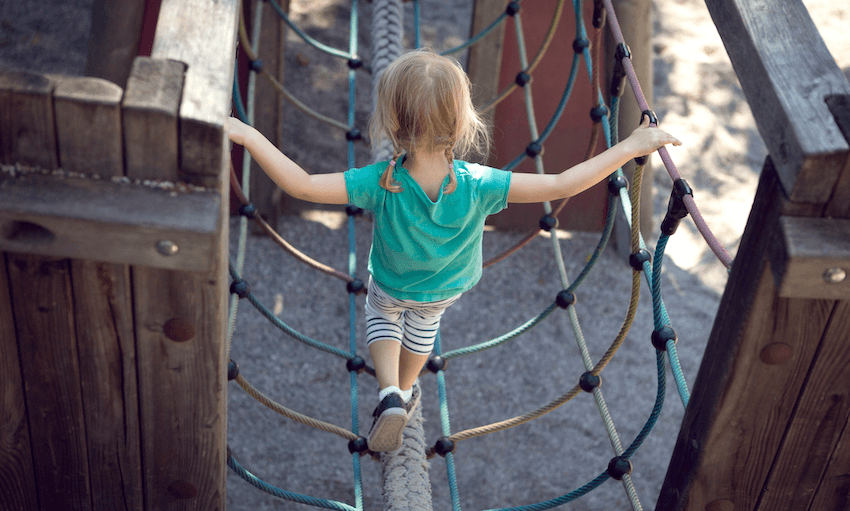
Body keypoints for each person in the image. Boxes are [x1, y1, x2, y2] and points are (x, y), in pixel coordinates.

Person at [226, 48, 681, 453]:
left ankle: (388, 392)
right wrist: (629, 147)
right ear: (462, 123)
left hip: (391, 283)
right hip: (444, 289)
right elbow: (563, 184)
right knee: (424, 326)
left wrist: (248, 136)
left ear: (393, 124)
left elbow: (302, 185)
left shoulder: (379, 181)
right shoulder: (480, 183)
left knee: (381, 314)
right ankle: (406, 390)